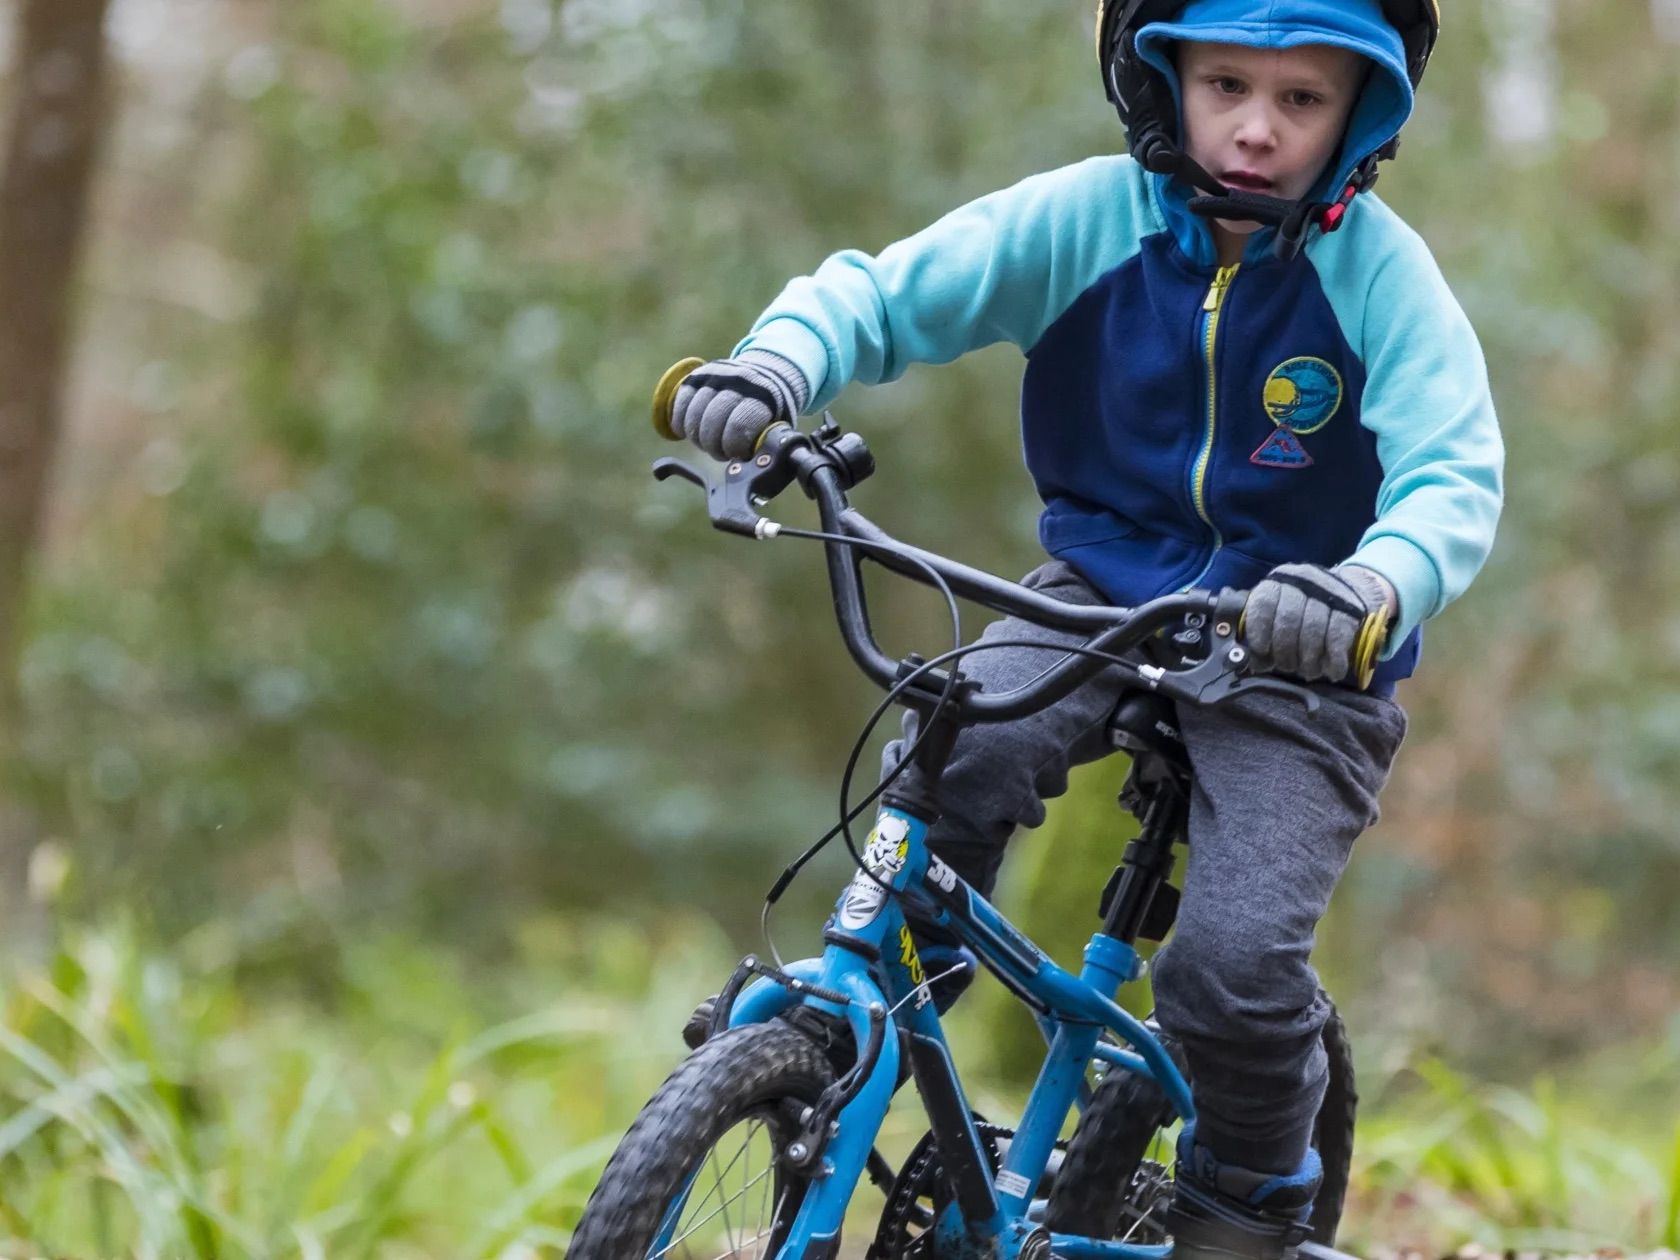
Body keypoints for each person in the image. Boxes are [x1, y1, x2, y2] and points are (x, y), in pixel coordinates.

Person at [665, 0, 1502, 1255]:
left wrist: (1373, 585)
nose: (1256, 130)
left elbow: (1454, 472)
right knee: (953, 757)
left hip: (1303, 645)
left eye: (1301, 101)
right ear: (1162, 81)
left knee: (1227, 969)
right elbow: (884, 296)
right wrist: (776, 365)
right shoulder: (1082, 221)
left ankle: (1248, 1198)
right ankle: (875, 1019)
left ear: (1361, 113)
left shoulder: (1378, 275)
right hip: (1101, 595)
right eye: (1225, 85)